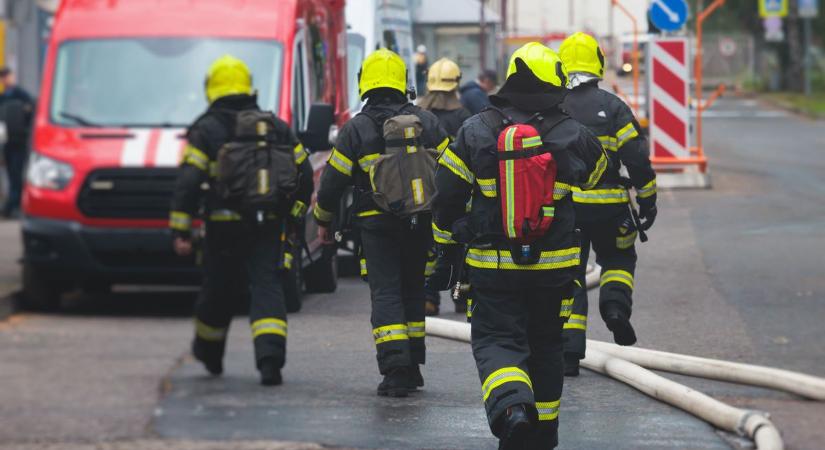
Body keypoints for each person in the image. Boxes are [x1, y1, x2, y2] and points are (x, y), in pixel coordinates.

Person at [430, 42, 607, 449]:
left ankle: (512, 411)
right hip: (555, 267)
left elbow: (446, 196)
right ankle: (542, 433)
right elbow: (599, 173)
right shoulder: (572, 132)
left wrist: (446, 245)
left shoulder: (476, 129)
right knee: (546, 343)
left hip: (493, 266)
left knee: (496, 340)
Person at [169, 55, 314, 386]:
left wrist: (180, 228)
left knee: (218, 289)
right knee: (267, 286)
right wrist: (292, 216)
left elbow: (189, 181)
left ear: (212, 88)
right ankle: (270, 361)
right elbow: (304, 174)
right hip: (269, 224)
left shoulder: (206, 129)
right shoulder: (275, 126)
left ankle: (209, 354)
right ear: (249, 87)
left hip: (222, 227)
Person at [313, 48, 449, 398]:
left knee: (386, 292)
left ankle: (396, 370)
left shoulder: (357, 128)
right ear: (403, 81)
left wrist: (323, 220)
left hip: (376, 225)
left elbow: (332, 184)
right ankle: (414, 364)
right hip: (420, 221)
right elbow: (454, 172)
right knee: (413, 290)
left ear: (366, 83)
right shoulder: (428, 122)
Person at [558, 32, 657, 377]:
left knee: (568, 274)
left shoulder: (552, 108)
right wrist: (648, 200)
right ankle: (615, 307)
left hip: (566, 209)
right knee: (617, 258)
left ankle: (569, 353)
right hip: (611, 206)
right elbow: (637, 158)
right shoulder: (613, 107)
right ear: (597, 64)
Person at [417, 57, 472, 316]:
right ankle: (461, 295)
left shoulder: (419, 115)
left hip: (422, 191)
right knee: (459, 243)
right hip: (455, 192)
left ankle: (428, 298)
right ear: (455, 84)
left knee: (428, 246)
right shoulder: (463, 116)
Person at [0, 67, 35, 218]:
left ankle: (16, 205)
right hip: (7, 141)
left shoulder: (22, 94)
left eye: (7, 76)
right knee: (11, 173)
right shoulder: (3, 98)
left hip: (20, 140)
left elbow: (32, 108)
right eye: (3, 77)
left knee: (17, 173)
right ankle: (11, 205)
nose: (6, 79)